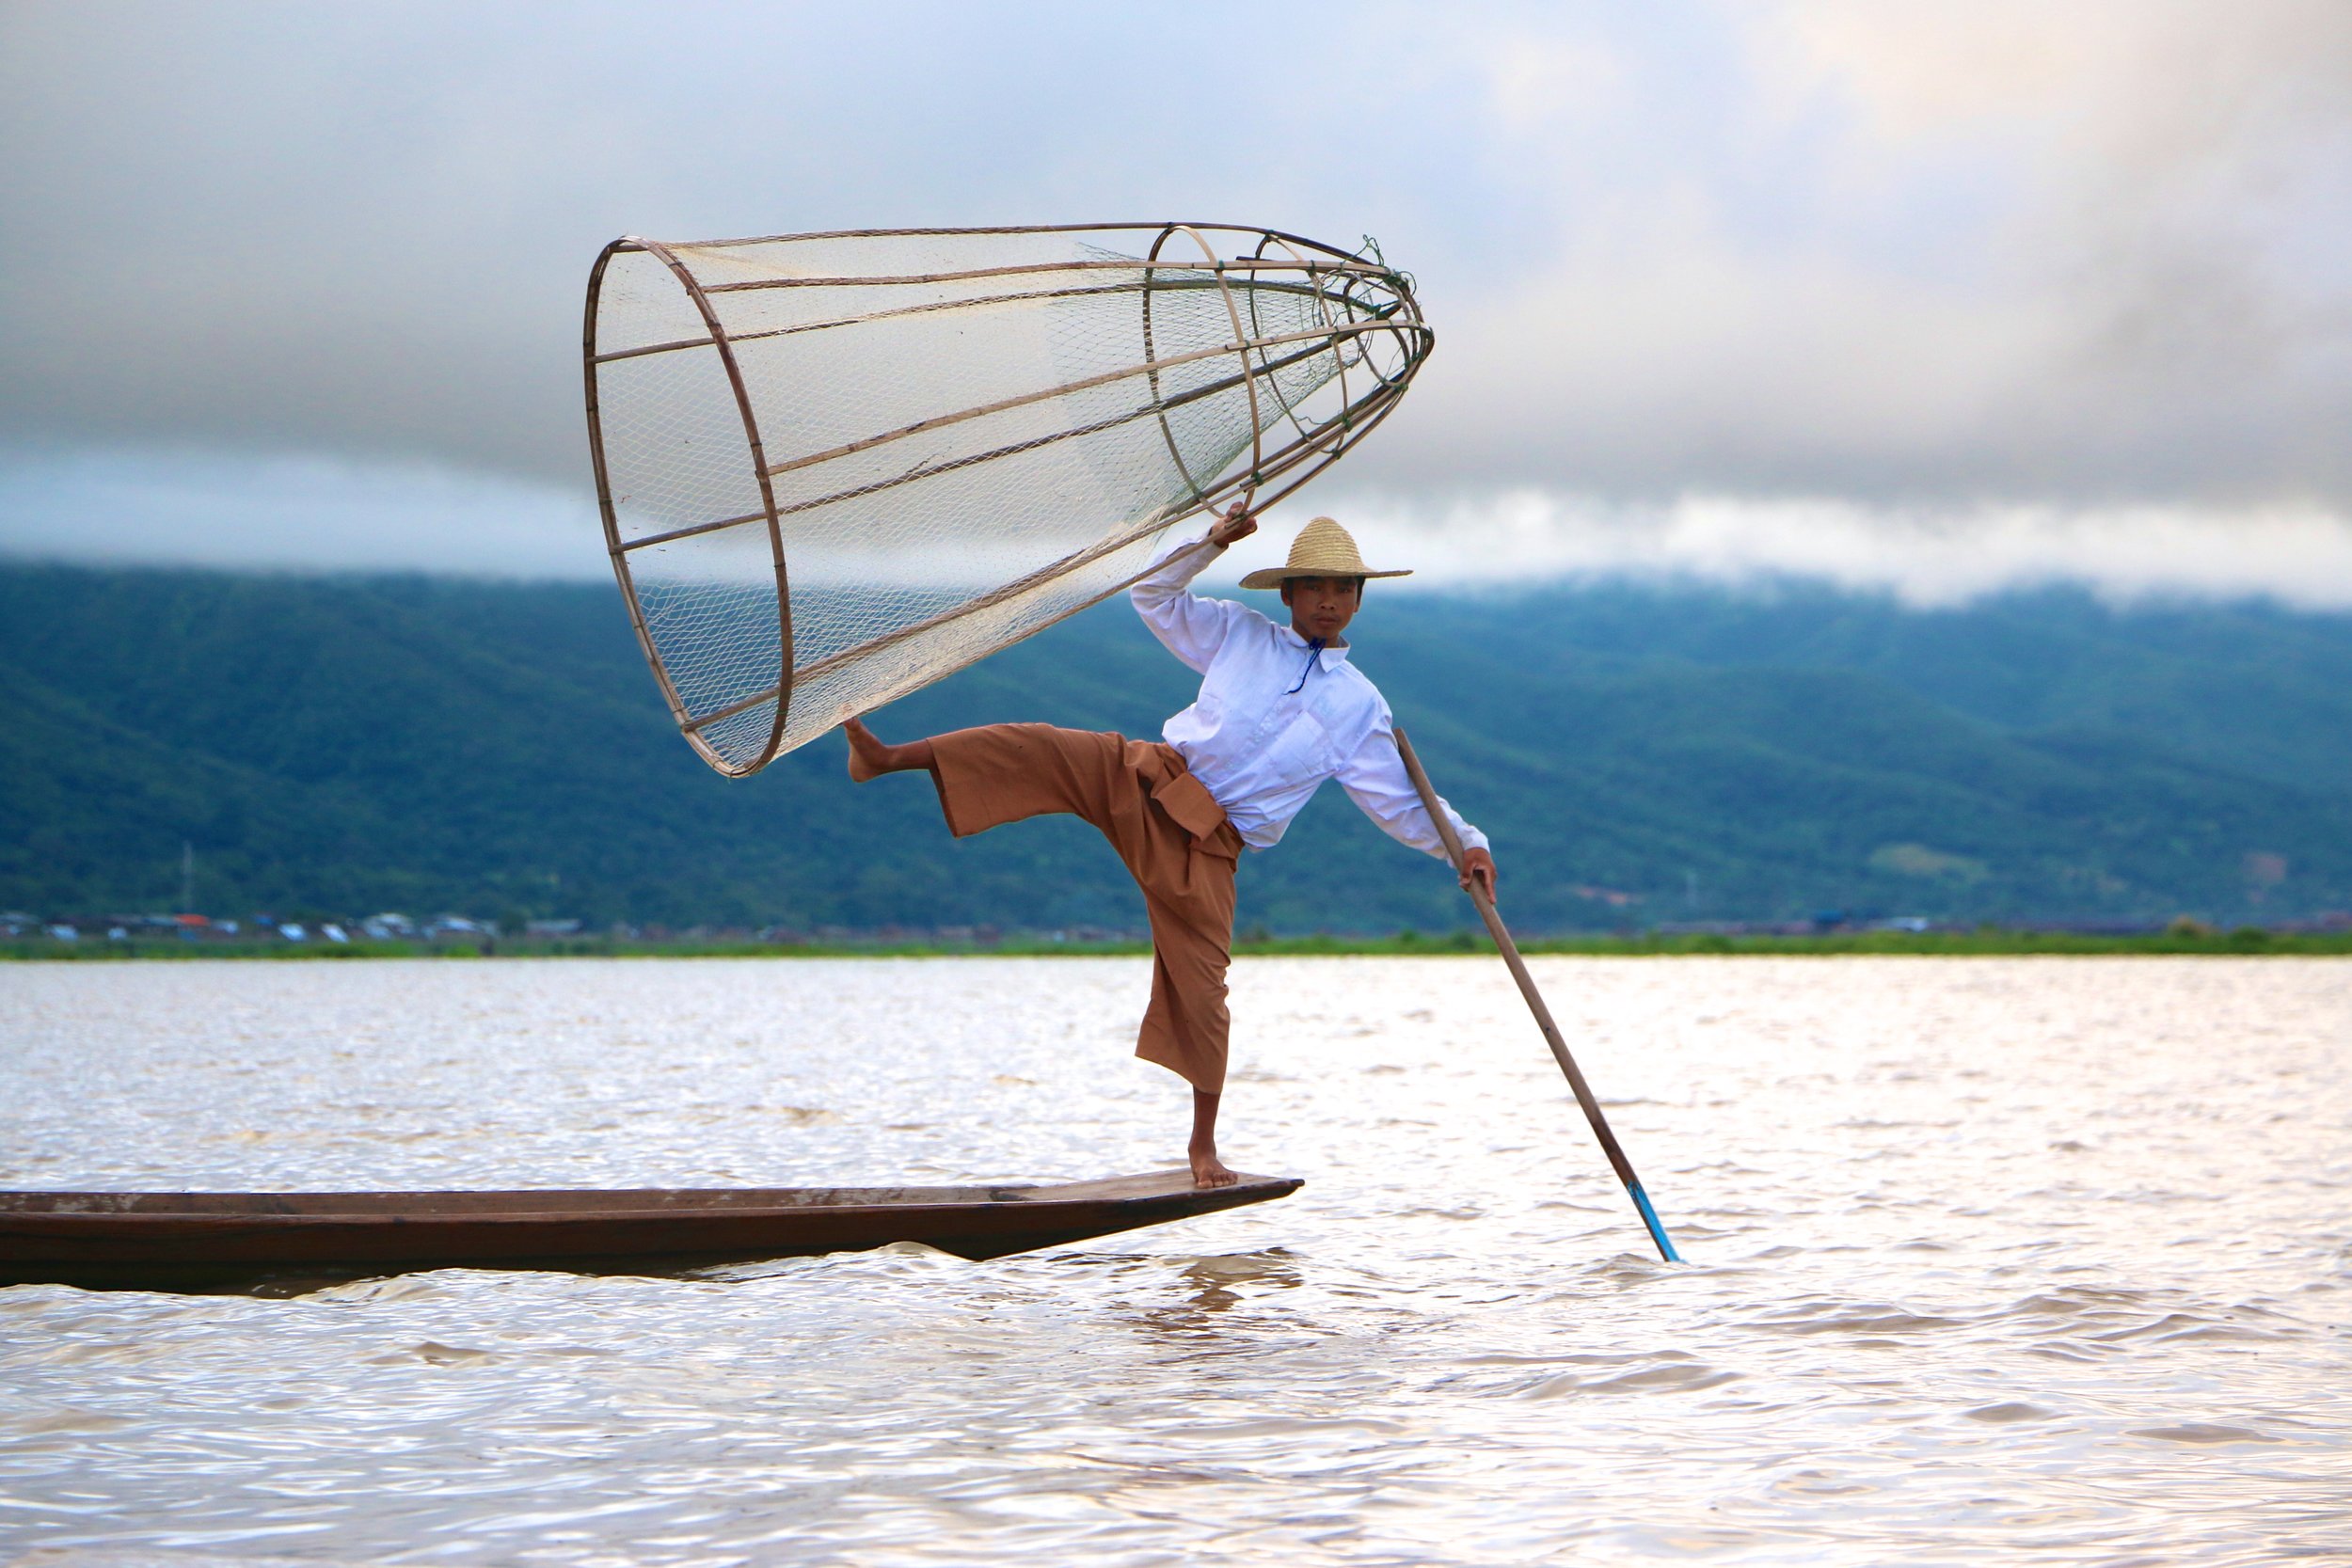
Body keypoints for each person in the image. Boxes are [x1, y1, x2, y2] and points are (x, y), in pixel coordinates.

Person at [843, 505, 1497, 1186]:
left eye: (1342, 589)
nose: (1328, 600)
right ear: (1288, 595)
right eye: (1313, 587)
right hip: (1149, 776)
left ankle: (1202, 1148)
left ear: (1359, 601)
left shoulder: (1362, 706)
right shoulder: (1240, 633)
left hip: (1210, 844)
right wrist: (1207, 545)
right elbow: (1152, 595)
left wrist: (1467, 847)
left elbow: (1398, 798)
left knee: (1204, 991)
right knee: (1037, 745)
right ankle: (888, 758)